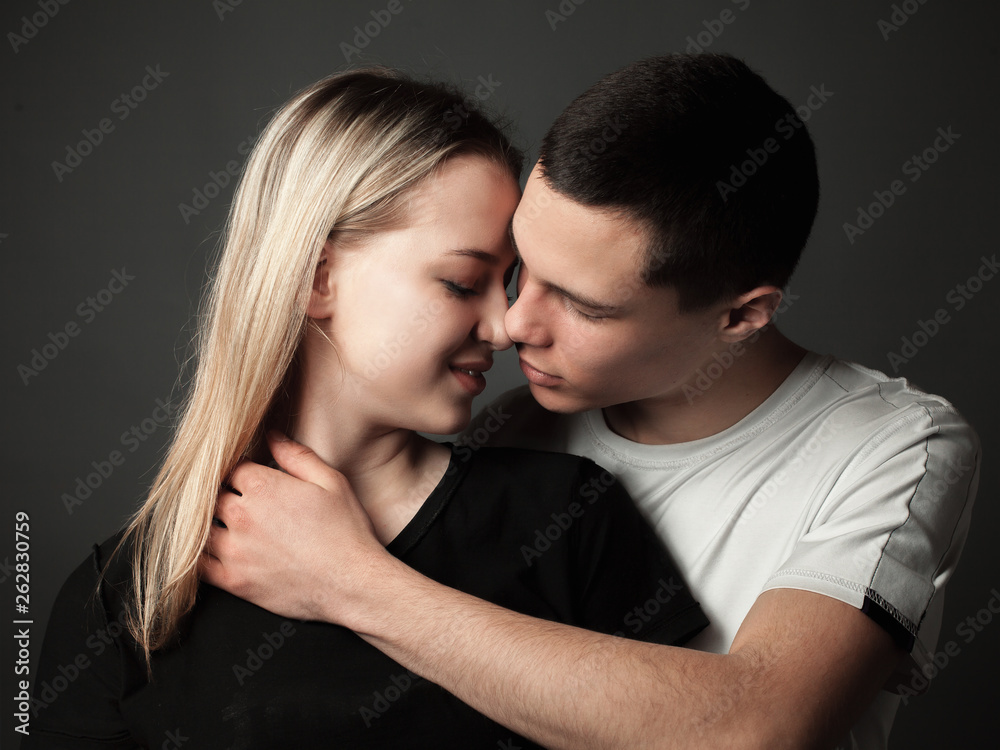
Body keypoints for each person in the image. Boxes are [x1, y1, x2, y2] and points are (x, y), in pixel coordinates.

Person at [199, 53, 981, 749]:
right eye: (519, 270)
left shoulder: (892, 446)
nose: (512, 324)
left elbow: (760, 728)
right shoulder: (508, 438)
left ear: (740, 315)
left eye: (584, 306)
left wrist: (348, 581)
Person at [24, 68, 709, 749]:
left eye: (505, 283)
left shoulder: (567, 519)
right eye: (463, 281)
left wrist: (355, 581)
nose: (505, 326)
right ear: (318, 278)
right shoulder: (126, 593)